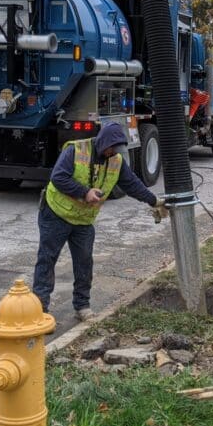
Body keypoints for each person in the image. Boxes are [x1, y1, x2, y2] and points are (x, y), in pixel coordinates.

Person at [33, 122, 166, 321]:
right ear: (103, 141)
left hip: (83, 220)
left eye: (117, 149)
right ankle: (39, 309)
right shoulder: (75, 150)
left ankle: (82, 306)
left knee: (84, 262)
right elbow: (58, 177)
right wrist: (84, 192)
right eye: (111, 148)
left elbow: (132, 184)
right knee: (47, 258)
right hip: (56, 214)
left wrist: (154, 201)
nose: (113, 153)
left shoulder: (116, 160)